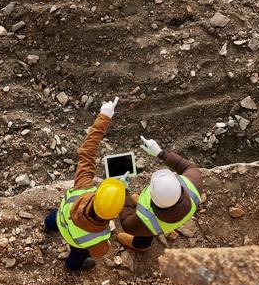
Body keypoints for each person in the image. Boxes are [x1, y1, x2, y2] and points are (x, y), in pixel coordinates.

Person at [44, 97, 126, 270]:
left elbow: (88, 151)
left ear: (97, 194)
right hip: (76, 242)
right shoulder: (101, 236)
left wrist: (104, 117)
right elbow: (99, 252)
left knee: (53, 219)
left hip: (62, 219)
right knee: (78, 256)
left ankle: (48, 225)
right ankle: (72, 266)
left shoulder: (83, 188)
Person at [117, 136, 204, 251]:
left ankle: (141, 245)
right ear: (178, 186)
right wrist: (161, 153)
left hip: (151, 226)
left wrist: (124, 191)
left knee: (145, 233)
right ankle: (142, 208)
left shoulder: (147, 221)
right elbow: (188, 166)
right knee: (149, 227)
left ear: (151, 197)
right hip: (175, 216)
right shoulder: (193, 187)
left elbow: (126, 223)